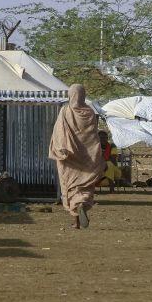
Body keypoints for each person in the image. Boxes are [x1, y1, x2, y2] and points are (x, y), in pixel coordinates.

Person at [48, 84, 105, 229]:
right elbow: (92, 136)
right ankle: (82, 205)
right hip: (87, 158)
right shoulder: (90, 113)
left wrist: (62, 149)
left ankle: (75, 221)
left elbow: (59, 133)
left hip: (69, 159)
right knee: (85, 186)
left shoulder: (65, 111)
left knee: (70, 187)